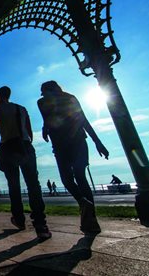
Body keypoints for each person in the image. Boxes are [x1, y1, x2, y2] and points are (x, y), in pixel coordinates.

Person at [38, 81, 109, 233]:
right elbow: (81, 120)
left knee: (70, 178)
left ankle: (86, 208)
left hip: (65, 144)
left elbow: (81, 120)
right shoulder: (67, 98)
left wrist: (98, 142)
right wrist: (97, 142)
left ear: (51, 90)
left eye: (44, 92)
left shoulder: (47, 101)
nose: (43, 95)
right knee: (78, 177)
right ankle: (89, 212)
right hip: (74, 142)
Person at [0, 86, 51, 240]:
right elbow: (29, 132)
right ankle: (40, 224)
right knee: (33, 184)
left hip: (8, 146)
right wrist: (26, 145)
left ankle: (19, 219)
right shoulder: (22, 109)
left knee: (14, 186)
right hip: (25, 146)